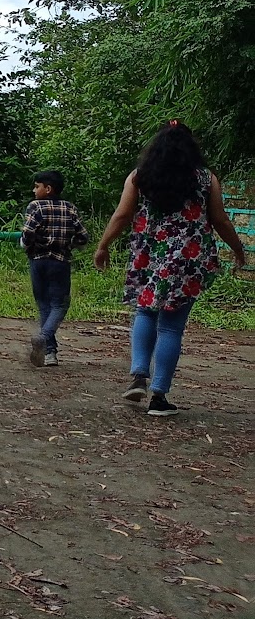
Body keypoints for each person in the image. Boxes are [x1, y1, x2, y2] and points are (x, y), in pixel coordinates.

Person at [93, 121, 247, 417]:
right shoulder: (206, 178)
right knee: (172, 327)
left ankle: (138, 374)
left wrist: (103, 245)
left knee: (145, 311)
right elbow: (220, 220)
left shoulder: (140, 176)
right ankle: (159, 397)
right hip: (188, 258)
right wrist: (237, 250)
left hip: (148, 254)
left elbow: (123, 214)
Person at [20, 169, 89, 367]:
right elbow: (83, 236)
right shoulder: (70, 208)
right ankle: (46, 343)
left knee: (44, 304)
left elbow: (28, 233)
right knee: (59, 305)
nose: (34, 190)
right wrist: (69, 244)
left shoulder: (36, 207)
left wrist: (26, 246)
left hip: (38, 261)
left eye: (37, 186)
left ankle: (49, 351)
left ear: (48, 189)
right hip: (60, 262)